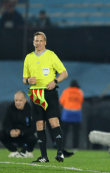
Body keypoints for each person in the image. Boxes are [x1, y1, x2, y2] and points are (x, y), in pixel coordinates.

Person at [23, 31, 68, 163]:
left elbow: (64, 73)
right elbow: (25, 79)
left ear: (45, 42)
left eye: (41, 41)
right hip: (35, 94)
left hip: (49, 93)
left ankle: (60, 152)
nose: (38, 43)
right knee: (39, 123)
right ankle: (44, 156)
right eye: (36, 41)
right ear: (33, 42)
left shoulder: (51, 55)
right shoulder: (28, 57)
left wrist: (55, 81)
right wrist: (27, 81)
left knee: (53, 121)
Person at [0, 91, 36, 158]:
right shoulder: (10, 109)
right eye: (16, 100)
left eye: (20, 100)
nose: (18, 102)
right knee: (1, 134)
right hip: (13, 135)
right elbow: (5, 124)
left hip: (25, 135)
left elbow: (33, 127)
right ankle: (14, 151)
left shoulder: (31, 110)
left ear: (25, 100)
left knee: (33, 137)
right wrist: (10, 131)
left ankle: (28, 151)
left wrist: (21, 132)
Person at [59, 80, 84, 149]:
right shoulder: (80, 91)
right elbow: (81, 101)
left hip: (67, 114)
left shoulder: (66, 91)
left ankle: (62, 146)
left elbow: (61, 102)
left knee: (64, 132)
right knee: (76, 132)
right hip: (77, 114)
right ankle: (75, 147)